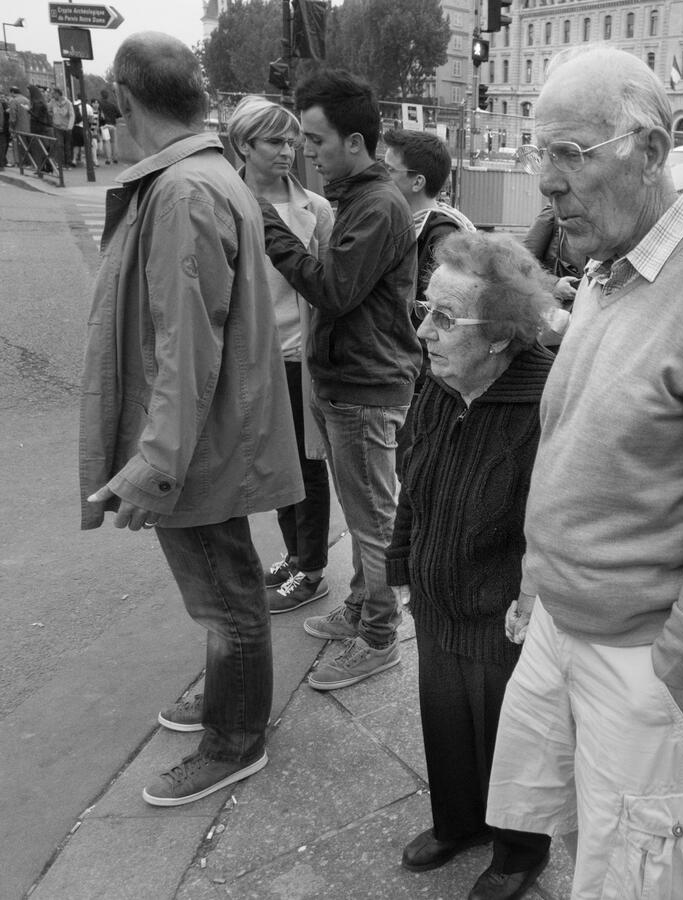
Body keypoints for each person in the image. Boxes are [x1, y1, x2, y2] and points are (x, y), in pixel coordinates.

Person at [482, 46, 683, 900]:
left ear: (650, 152)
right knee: (588, 842)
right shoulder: (608, 268)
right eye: (536, 150)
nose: (545, 181)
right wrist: (537, 580)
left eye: (568, 154)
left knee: (646, 874)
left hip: (647, 655)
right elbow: (574, 439)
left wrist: (682, 662)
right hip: (560, 624)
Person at [79, 32, 302, 806]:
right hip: (213, 432)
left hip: (201, 443)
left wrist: (155, 465)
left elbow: (185, 344)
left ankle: (234, 740)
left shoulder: (183, 190)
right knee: (227, 584)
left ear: (124, 99)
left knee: (225, 598)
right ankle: (225, 700)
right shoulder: (206, 175)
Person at [388, 232, 554, 883]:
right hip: (437, 602)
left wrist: (527, 604)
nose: (424, 330)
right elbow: (413, 482)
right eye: (426, 309)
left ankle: (519, 850)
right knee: (447, 725)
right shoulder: (438, 382)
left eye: (445, 318)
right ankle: (460, 822)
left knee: (517, 742)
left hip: (503, 616)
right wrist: (401, 566)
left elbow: (556, 525)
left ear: (500, 336)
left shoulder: (544, 403)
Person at [258, 68, 421, 691]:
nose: (306, 153)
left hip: (364, 390)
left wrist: (269, 225)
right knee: (362, 518)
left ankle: (380, 639)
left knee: (374, 522)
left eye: (315, 141)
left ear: (354, 143)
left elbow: (333, 288)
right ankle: (362, 609)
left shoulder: (376, 205)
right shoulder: (358, 197)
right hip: (343, 384)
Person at [228, 95, 336, 618]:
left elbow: (331, 289)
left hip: (295, 355)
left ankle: (312, 570)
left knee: (305, 464)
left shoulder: (315, 209)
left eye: (293, 141)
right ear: (243, 145)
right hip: (246, 356)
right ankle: (294, 556)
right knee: (270, 464)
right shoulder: (223, 199)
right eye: (275, 141)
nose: (289, 151)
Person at [380, 127, 474, 472]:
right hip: (419, 375)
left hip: (426, 380)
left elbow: (434, 316)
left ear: (417, 182)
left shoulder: (439, 234)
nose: (381, 175)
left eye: (389, 169)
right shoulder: (420, 224)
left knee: (415, 475)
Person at [49, 87, 73, 169]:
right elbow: (48, 110)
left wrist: (70, 126)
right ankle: (61, 163)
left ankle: (68, 163)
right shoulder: (52, 102)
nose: (52, 95)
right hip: (57, 127)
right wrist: (52, 117)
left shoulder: (68, 103)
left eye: (53, 93)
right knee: (59, 145)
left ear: (58, 94)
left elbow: (72, 115)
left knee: (67, 146)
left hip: (67, 127)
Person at [99, 88, 121, 164]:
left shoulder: (99, 104)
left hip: (105, 126)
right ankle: (115, 158)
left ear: (101, 95)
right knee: (114, 142)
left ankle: (108, 159)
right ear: (108, 96)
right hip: (113, 125)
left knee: (107, 142)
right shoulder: (112, 105)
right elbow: (119, 114)